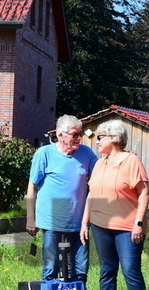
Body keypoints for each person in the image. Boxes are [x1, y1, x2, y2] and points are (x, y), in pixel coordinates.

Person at [80, 119, 149, 290]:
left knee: (131, 270)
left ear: (113, 137)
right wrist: (85, 222)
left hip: (127, 226)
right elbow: (91, 195)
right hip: (101, 225)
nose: (97, 141)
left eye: (100, 137)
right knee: (106, 271)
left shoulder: (131, 161)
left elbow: (144, 193)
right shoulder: (100, 163)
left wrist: (139, 223)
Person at [25, 115, 97, 280]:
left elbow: (101, 171)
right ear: (60, 135)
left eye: (80, 134)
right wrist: (30, 218)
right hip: (51, 221)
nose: (79, 138)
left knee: (80, 269)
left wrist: (120, 156)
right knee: (51, 268)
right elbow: (32, 186)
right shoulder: (44, 154)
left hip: (79, 223)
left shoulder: (86, 153)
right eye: (74, 134)